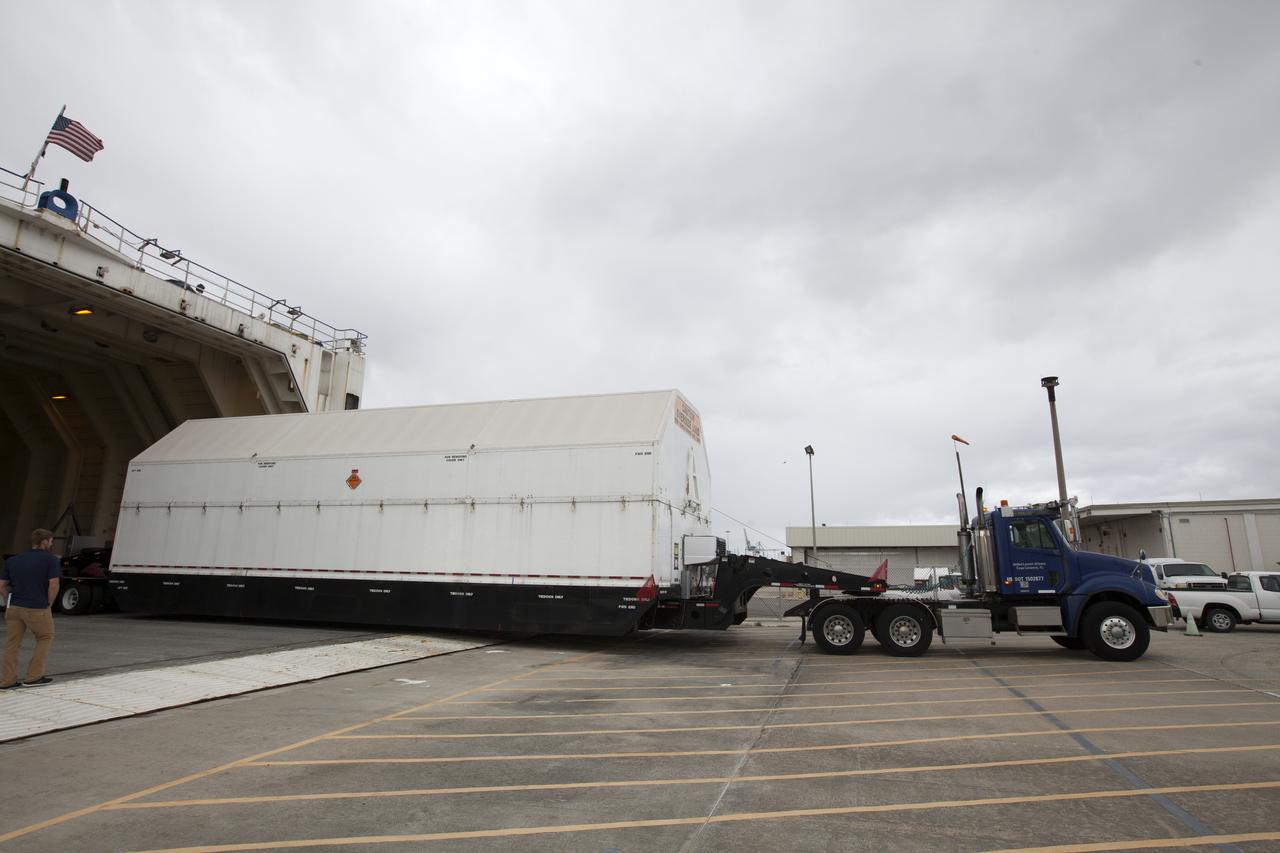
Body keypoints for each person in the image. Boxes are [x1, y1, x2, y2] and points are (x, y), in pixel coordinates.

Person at [0, 528, 61, 688]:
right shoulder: (51, 560)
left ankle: (7, 680)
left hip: (14, 607)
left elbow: (1, 585)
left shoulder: (13, 560)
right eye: (51, 541)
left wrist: (8, 599)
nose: (51, 543)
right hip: (37, 606)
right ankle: (33, 677)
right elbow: (53, 584)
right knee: (45, 637)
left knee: (12, 643)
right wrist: (48, 603)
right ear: (45, 541)